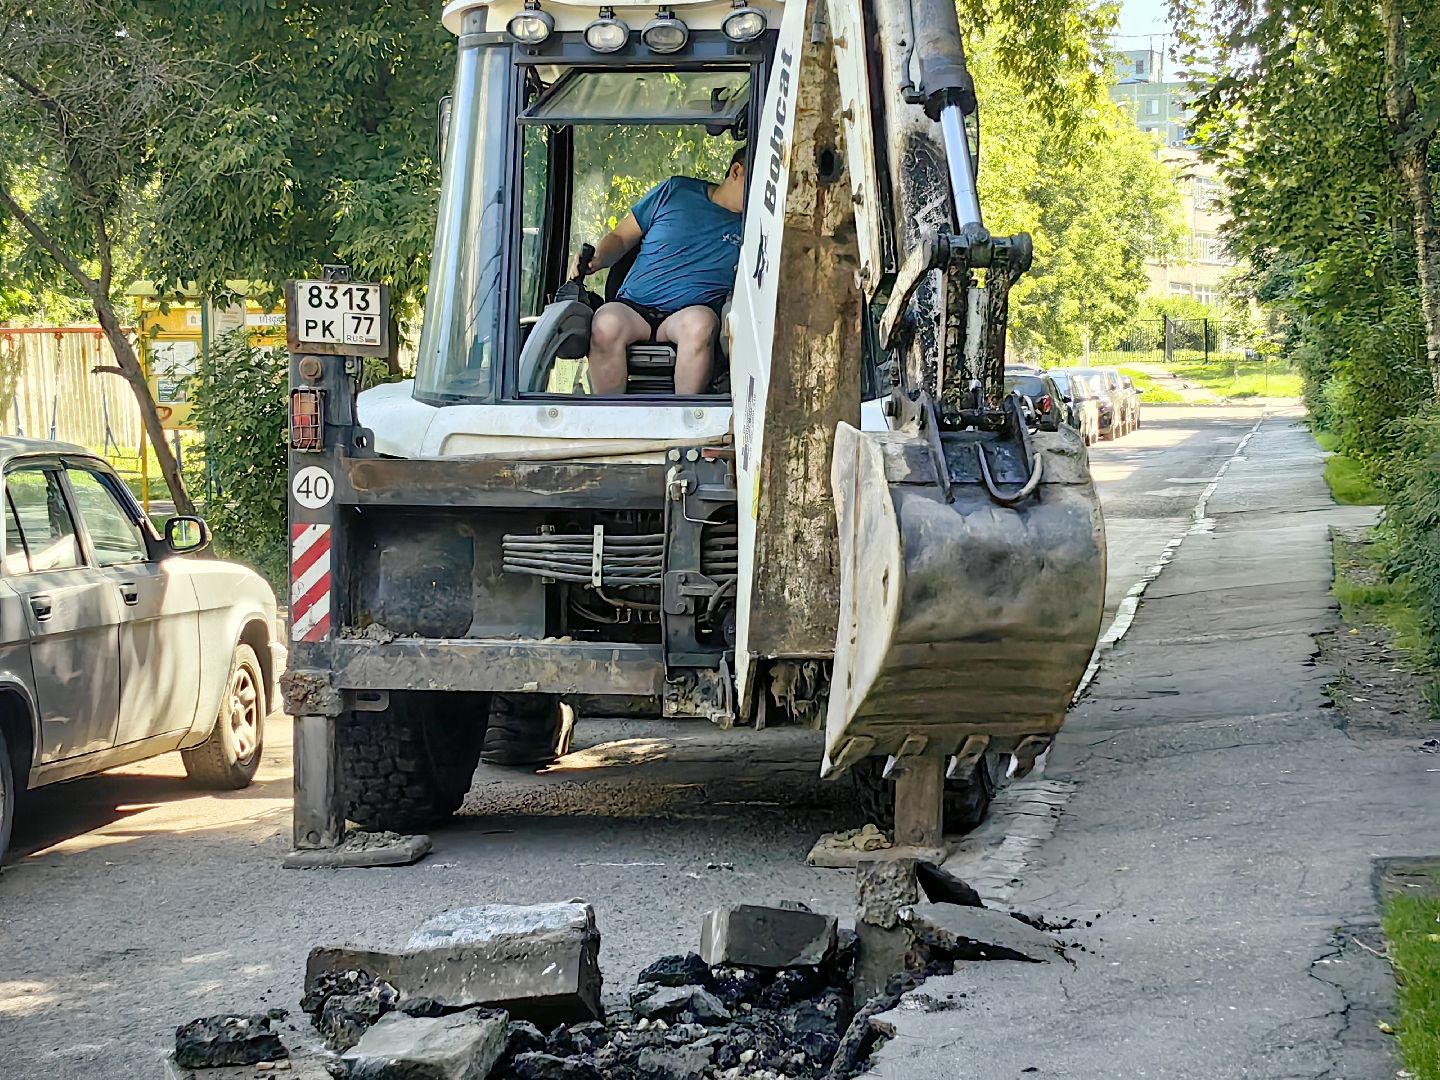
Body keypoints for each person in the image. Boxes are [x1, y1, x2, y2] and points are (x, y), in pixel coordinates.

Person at [578, 146, 746, 395]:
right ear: (736, 171)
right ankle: (610, 423)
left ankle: (686, 427)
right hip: (633, 306)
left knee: (700, 325)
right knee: (605, 324)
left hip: (689, 314)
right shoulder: (675, 191)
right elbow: (621, 238)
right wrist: (597, 259)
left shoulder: (755, 227)